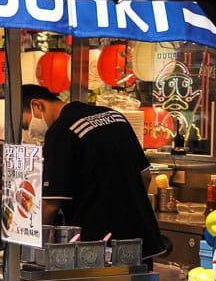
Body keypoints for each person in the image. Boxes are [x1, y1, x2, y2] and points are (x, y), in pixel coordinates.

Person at [21, 84, 165, 262]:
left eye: (26, 124)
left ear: (37, 106)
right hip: (138, 242)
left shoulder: (61, 131)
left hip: (98, 248)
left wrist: (33, 247)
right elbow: (145, 175)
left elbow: (51, 204)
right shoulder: (114, 116)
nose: (28, 131)